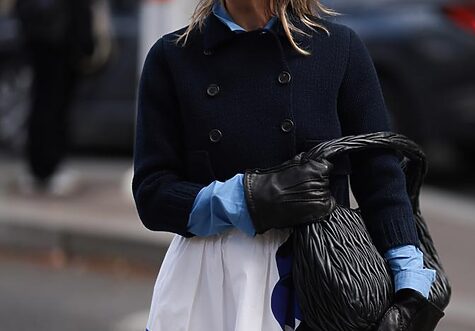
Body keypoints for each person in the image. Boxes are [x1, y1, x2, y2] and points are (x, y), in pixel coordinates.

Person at [131, 0, 443, 330]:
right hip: (210, 283)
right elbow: (152, 194)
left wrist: (411, 285)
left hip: (321, 280)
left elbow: (380, 178)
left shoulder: (338, 48)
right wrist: (247, 199)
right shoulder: (172, 56)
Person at [14, 0, 94, 195]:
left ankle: (41, 168)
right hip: (56, 36)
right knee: (51, 103)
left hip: (45, 33)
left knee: (46, 101)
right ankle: (46, 168)